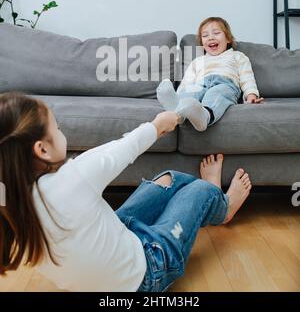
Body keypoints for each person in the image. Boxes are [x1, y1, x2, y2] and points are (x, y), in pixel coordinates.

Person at [0, 92, 251, 292]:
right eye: (57, 128)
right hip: (147, 273)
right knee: (200, 189)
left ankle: (210, 201)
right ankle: (222, 205)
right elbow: (127, 146)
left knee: (167, 180)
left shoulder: (8, 201)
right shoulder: (73, 178)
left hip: (115, 247)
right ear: (42, 149)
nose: (61, 131)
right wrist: (160, 123)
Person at [157, 16, 264, 131]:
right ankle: (177, 111)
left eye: (216, 33)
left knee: (216, 93)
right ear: (202, 44)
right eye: (205, 36)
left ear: (228, 39)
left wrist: (251, 95)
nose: (211, 38)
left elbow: (247, 78)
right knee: (190, 93)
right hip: (200, 84)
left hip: (225, 84)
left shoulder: (237, 56)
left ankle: (205, 117)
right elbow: (186, 83)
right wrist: (178, 95)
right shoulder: (197, 61)